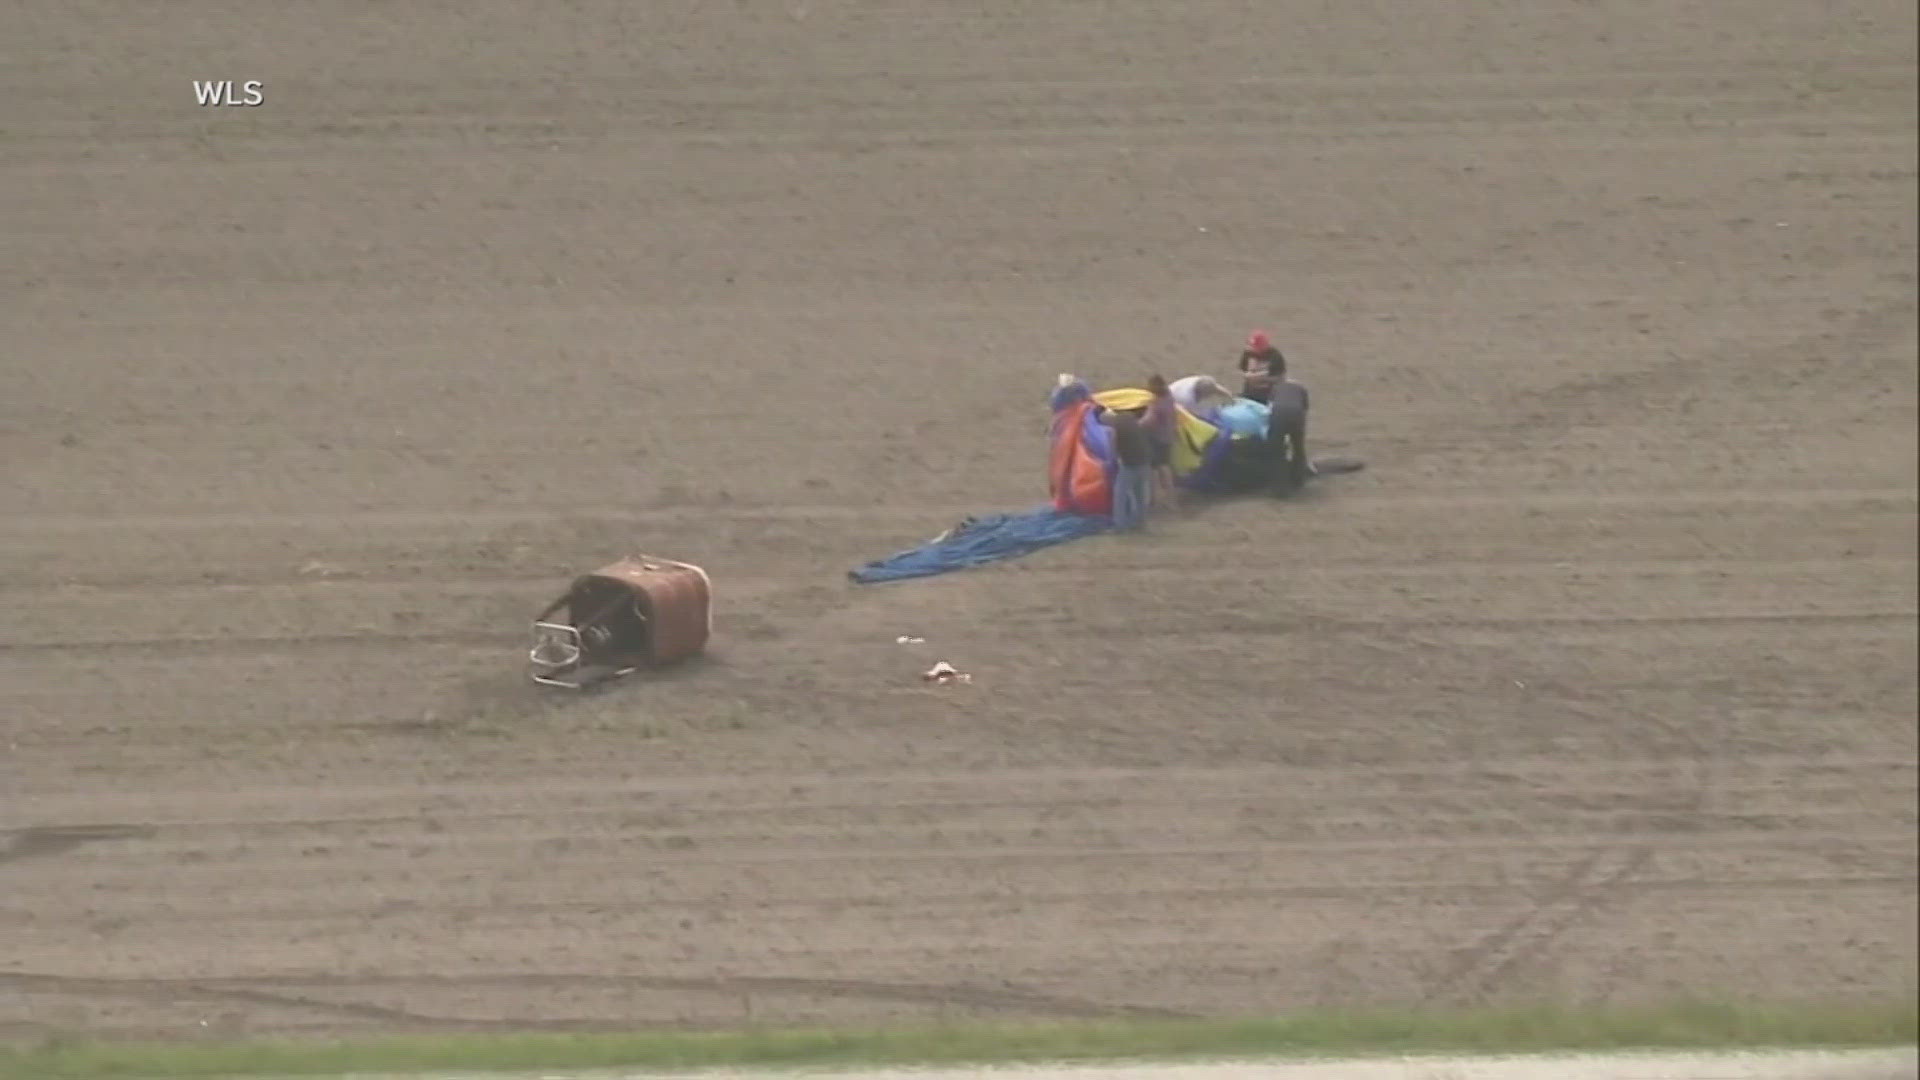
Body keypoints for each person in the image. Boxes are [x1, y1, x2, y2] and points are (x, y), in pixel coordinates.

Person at [1097, 404, 1153, 531]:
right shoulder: (1128, 417)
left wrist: (1111, 460)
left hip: (1130, 464)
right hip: (1145, 459)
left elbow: (1113, 448)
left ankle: (1120, 525)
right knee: (1140, 493)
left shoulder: (1115, 429)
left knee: (1119, 493)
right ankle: (1140, 522)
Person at [1265, 367, 1312, 496]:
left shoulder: (1275, 389)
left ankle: (1279, 487)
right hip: (1297, 414)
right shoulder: (1301, 388)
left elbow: (1269, 407)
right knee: (1298, 447)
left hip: (1279, 413)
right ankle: (1298, 479)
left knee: (1276, 450)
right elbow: (1305, 407)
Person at [1141, 375, 1180, 511]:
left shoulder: (1156, 402)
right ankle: (1170, 499)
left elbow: (1149, 421)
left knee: (1152, 470)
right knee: (1165, 468)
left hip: (1156, 439)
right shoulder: (1170, 398)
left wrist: (1135, 425)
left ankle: (1152, 500)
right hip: (1168, 437)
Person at [1238, 331, 1287, 405]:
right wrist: (1247, 375)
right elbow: (1242, 369)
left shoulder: (1275, 356)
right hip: (1250, 392)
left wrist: (1253, 376)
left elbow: (1278, 376)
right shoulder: (1248, 353)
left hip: (1270, 394)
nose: (1251, 349)